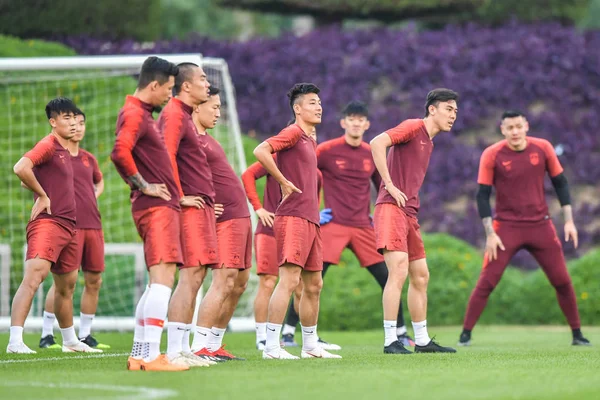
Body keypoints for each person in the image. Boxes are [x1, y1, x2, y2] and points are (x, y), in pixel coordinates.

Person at [283, 101, 414, 349]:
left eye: (360, 119)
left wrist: (382, 214)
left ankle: (400, 331)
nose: (356, 123)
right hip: (334, 224)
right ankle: (289, 332)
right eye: (351, 119)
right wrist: (312, 209)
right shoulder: (327, 150)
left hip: (364, 226)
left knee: (389, 276)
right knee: (313, 278)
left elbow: (384, 185)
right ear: (343, 123)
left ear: (367, 124)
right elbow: (302, 171)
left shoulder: (371, 152)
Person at [458, 110, 590, 347]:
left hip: (541, 226)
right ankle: (465, 335)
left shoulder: (543, 148)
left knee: (562, 281)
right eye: (510, 128)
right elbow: (482, 196)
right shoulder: (492, 154)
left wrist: (569, 220)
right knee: (487, 281)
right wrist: (490, 234)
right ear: (503, 130)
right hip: (505, 228)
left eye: (519, 126)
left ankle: (578, 335)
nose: (515, 132)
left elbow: (560, 183)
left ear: (526, 126)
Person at [111, 56, 188, 371]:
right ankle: (152, 356)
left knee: (156, 282)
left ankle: (140, 354)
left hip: (156, 208)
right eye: (168, 89)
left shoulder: (138, 113)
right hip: (156, 209)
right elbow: (119, 152)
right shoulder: (135, 115)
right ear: (154, 85)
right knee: (162, 280)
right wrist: (144, 185)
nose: (170, 96)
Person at [254, 83, 341, 360]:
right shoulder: (292, 132)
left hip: (311, 220)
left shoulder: (309, 140)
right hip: (291, 218)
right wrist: (282, 181)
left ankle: (310, 346)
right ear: (298, 108)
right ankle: (271, 346)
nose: (319, 107)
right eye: (313, 102)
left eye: (319, 102)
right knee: (289, 281)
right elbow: (261, 151)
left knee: (314, 284)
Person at [8, 98, 100, 354]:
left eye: (75, 118)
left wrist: (40, 187)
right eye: (66, 118)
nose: (72, 123)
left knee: (66, 286)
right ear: (53, 122)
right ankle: (15, 341)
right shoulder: (48, 145)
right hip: (48, 223)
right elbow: (21, 168)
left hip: (70, 225)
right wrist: (44, 195)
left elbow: (30, 180)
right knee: (33, 279)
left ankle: (70, 341)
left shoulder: (66, 151)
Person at [370, 88, 459, 354]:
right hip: (390, 208)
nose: (453, 115)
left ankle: (421, 341)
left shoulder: (429, 141)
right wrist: (388, 184)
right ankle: (390, 341)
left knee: (420, 276)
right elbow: (376, 142)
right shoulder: (413, 126)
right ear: (432, 109)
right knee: (398, 270)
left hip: (409, 213)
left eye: (455, 111)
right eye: (448, 109)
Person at [158, 62, 215, 367]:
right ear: (186, 86)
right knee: (189, 274)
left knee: (198, 275)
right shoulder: (173, 114)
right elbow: (164, 155)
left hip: (202, 205)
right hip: (187, 207)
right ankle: (174, 350)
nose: (207, 84)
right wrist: (179, 196)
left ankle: (183, 347)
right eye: (203, 79)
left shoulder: (186, 116)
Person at [39, 109, 109, 350]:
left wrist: (93, 194)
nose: (77, 127)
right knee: (63, 283)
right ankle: (47, 334)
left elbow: (99, 181)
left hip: (94, 226)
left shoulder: (89, 158)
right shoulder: (56, 156)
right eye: (72, 122)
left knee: (94, 280)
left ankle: (86, 334)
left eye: (81, 123)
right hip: (69, 226)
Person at [190, 87, 250, 361]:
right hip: (224, 219)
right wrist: (188, 199)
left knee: (239, 283)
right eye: (213, 107)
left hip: (240, 216)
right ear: (195, 107)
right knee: (224, 280)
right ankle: (199, 346)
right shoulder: (189, 140)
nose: (218, 112)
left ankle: (214, 344)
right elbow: (171, 171)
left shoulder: (208, 139)